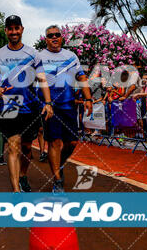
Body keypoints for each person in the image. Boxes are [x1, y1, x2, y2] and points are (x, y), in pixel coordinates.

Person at [0, 15, 53, 193]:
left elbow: (42, 80)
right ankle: (16, 190)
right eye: (10, 28)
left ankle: (23, 176)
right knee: (13, 146)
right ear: (6, 31)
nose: (13, 32)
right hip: (9, 104)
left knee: (26, 148)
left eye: (16, 28)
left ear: (22, 29)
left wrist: (48, 103)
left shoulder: (33, 54)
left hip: (30, 105)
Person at [39, 25, 93, 193]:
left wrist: (88, 98)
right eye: (50, 35)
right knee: (54, 142)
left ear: (62, 37)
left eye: (57, 35)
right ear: (46, 39)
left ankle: (58, 166)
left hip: (69, 104)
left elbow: (81, 77)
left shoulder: (71, 56)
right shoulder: (39, 56)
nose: (54, 37)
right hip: (50, 106)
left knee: (72, 142)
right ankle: (57, 181)